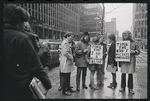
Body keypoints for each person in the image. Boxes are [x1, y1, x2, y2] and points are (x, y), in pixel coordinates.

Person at [3, 4, 51, 99]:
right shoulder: (21, 38)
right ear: (18, 21)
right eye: (24, 22)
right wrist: (47, 83)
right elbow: (36, 66)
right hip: (20, 89)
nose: (25, 25)